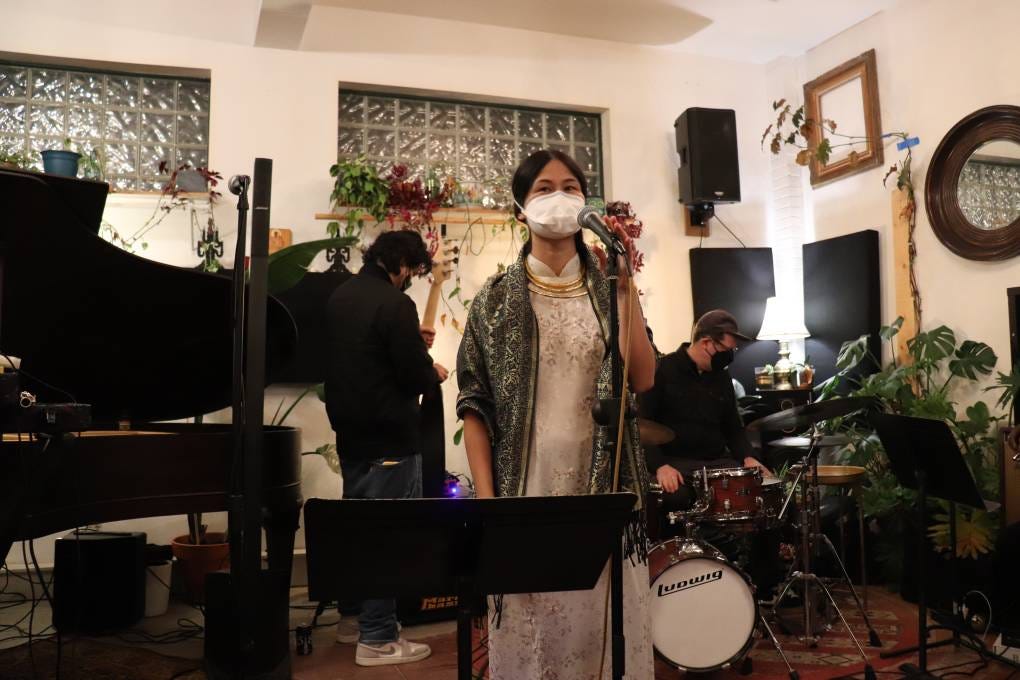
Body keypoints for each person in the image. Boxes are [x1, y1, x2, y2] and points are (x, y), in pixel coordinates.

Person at [456, 149, 656, 679]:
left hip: (603, 485)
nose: (559, 197)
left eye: (571, 186)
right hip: (527, 485)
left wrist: (626, 289)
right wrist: (488, 504)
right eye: (544, 188)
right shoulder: (493, 301)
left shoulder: (608, 288)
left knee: (602, 624)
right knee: (536, 627)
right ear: (521, 208)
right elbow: (474, 407)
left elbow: (643, 378)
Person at [324, 229, 449, 667]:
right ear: (401, 263)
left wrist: (412, 342)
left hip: (351, 437)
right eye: (411, 270)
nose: (409, 279)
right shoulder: (395, 304)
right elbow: (414, 376)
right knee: (389, 537)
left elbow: (369, 356)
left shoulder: (340, 296)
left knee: (360, 533)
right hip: (390, 438)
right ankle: (377, 638)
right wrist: (433, 370)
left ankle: (351, 620)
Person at [640, 309, 769, 493]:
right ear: (706, 343)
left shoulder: (722, 377)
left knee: (753, 490)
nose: (728, 358)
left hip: (717, 463)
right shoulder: (662, 370)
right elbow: (643, 425)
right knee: (675, 496)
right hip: (676, 464)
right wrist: (660, 466)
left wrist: (749, 457)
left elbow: (733, 427)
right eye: (726, 351)